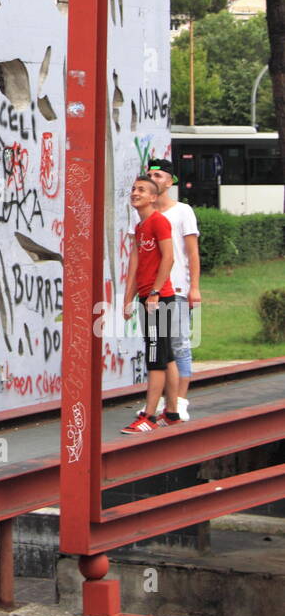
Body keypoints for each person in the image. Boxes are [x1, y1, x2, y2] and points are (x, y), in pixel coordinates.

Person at [120, 175, 181, 434]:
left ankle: (149, 416)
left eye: (142, 190)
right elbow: (136, 265)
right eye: (134, 189)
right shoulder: (141, 226)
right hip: (148, 297)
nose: (135, 193)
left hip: (159, 299)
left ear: (153, 197)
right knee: (165, 356)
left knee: (155, 357)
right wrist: (128, 298)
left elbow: (169, 258)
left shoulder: (159, 222)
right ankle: (173, 412)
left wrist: (155, 292)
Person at [147, 157, 201, 421]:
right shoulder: (145, 213)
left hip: (177, 288)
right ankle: (164, 403)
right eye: (149, 176)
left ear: (169, 182)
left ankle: (180, 401)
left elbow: (192, 253)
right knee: (160, 345)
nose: (153, 180)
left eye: (158, 177)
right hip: (153, 291)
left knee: (179, 343)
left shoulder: (182, 211)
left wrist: (195, 288)